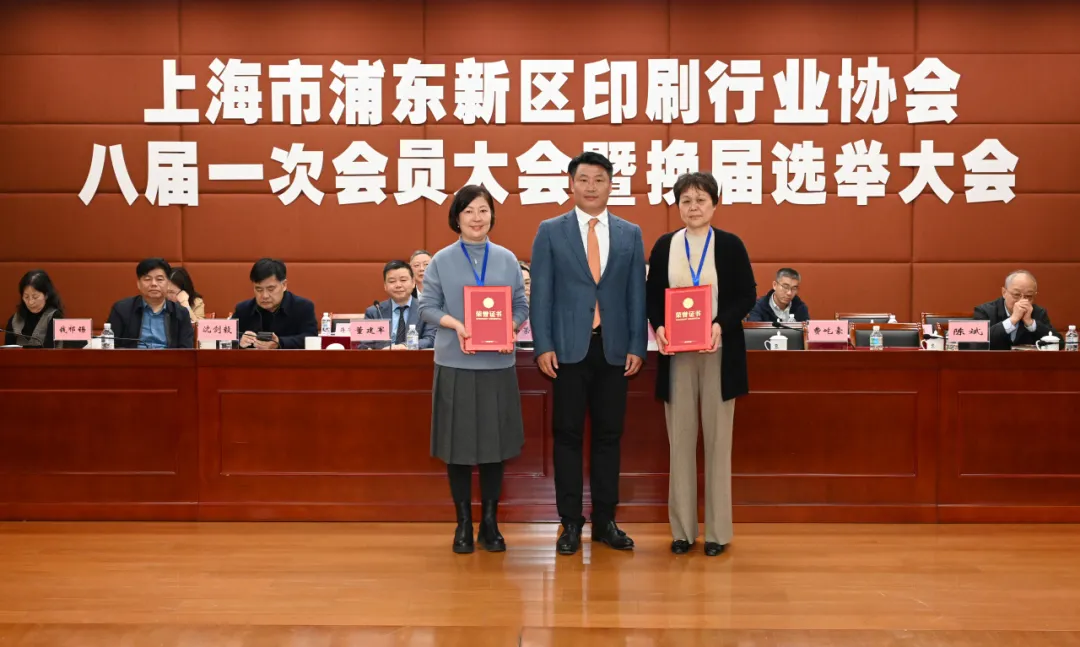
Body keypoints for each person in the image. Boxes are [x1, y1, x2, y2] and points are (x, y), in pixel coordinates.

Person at [530, 151, 647, 556]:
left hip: (614, 350)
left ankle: (605, 521)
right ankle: (569, 522)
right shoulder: (551, 230)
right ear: (571, 184)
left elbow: (636, 293)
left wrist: (637, 344)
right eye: (584, 179)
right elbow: (541, 293)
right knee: (567, 436)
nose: (591, 187)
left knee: (609, 437)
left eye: (599, 179)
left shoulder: (630, 233)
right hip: (566, 350)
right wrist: (543, 345)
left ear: (611, 185)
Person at [645, 172, 756, 557]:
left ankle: (717, 533)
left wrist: (720, 324)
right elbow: (652, 296)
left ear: (714, 204)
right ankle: (682, 531)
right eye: (686, 201)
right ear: (678, 205)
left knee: (718, 443)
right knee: (680, 441)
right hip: (677, 355)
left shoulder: (730, 245)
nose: (693, 208)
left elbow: (746, 294)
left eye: (701, 200)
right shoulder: (665, 246)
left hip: (718, 353)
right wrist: (659, 325)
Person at [419, 185, 529, 554]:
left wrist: (510, 325)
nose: (477, 218)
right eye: (469, 211)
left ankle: (491, 523)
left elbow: (520, 305)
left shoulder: (507, 259)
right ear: (457, 217)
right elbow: (426, 307)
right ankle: (464, 522)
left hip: (497, 364)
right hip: (456, 363)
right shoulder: (441, 260)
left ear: (492, 215)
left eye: (483, 210)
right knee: (458, 446)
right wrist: (456, 324)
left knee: (495, 446)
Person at [106, 258, 194, 349]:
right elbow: (111, 346)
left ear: (168, 284)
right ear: (138, 284)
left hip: (168, 358)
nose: (153, 284)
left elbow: (186, 350)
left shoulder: (181, 313)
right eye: (147, 279)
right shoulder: (122, 309)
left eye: (159, 279)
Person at [234, 258, 317, 349]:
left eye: (271, 289)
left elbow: (311, 337)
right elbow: (225, 336)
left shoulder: (303, 307)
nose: (265, 296)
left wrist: (279, 343)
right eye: (259, 289)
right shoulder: (243, 309)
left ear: (284, 285)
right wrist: (239, 340)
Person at [974, 269, 1060, 350]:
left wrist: (1031, 323)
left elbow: (1060, 344)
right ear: (1004, 292)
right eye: (1016, 294)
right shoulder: (984, 311)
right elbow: (975, 343)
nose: (1022, 300)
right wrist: (1012, 320)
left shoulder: (1038, 313)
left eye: (1029, 296)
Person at [364, 260, 436, 350]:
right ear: (385, 286)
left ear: (413, 283)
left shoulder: (426, 310)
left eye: (403, 280)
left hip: (414, 357)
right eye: (392, 281)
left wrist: (405, 346)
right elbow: (364, 345)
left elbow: (430, 339)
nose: (398, 285)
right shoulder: (375, 312)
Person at [4, 270, 64, 348]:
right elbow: (7, 351)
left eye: (35, 297)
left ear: (46, 295)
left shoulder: (55, 316)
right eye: (26, 297)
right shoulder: (15, 319)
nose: (30, 302)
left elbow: (50, 350)